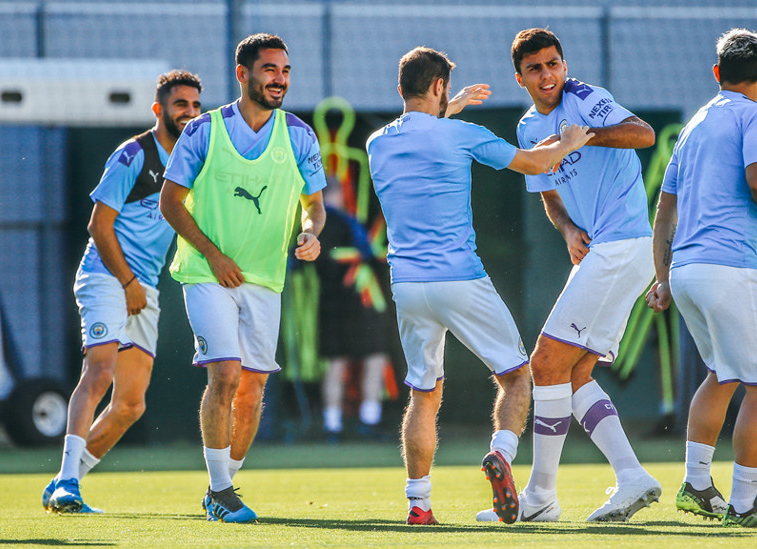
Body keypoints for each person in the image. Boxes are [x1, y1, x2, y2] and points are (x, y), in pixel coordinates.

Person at [366, 46, 592, 525]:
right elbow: (535, 163)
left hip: (406, 285)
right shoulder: (460, 134)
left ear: (402, 88)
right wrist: (569, 140)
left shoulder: (378, 143)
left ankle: (418, 505)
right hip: (459, 279)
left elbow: (421, 126)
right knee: (515, 377)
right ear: (439, 86)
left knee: (423, 394)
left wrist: (449, 104)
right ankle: (503, 456)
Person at [487, 28, 661, 524]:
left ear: (564, 64)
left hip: (623, 246)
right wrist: (566, 229)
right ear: (519, 77)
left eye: (554, 63)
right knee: (574, 371)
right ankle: (630, 476)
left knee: (544, 364)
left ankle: (540, 497)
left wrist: (581, 137)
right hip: (608, 251)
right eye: (536, 68)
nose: (549, 75)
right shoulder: (524, 128)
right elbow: (546, 189)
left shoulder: (585, 98)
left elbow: (644, 134)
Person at [160, 33, 326, 523]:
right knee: (226, 374)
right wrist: (213, 256)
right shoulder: (202, 131)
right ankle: (221, 489)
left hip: (265, 280)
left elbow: (313, 205)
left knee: (253, 391)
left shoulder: (299, 134)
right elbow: (171, 201)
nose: (280, 79)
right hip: (206, 273)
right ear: (243, 74)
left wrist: (311, 233)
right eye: (270, 69)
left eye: (286, 71)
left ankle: (222, 485)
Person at [646, 28, 757, 528]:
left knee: (724, 375)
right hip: (728, 268)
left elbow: (664, 212)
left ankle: (695, 483)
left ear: (717, 74)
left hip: (687, 271)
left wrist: (663, 276)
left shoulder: (693, 126)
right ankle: (746, 503)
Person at [45, 70, 203, 513]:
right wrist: (129, 282)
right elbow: (99, 225)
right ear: (159, 110)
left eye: (195, 106)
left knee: (130, 405)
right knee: (98, 373)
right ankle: (68, 489)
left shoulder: (195, 161)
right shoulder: (133, 154)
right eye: (180, 105)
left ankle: (64, 481)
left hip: (143, 289)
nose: (189, 114)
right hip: (106, 277)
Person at [314, 181, 392, 442]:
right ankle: (368, 422)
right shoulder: (341, 222)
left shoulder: (312, 226)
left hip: (331, 305)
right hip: (360, 304)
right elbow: (363, 256)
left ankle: (332, 426)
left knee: (336, 364)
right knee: (373, 359)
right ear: (335, 194)